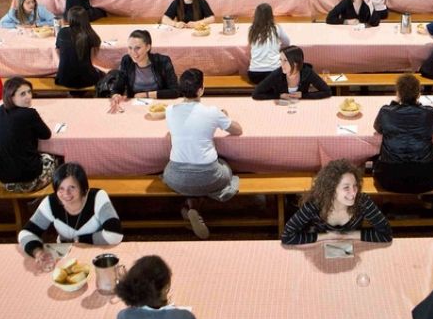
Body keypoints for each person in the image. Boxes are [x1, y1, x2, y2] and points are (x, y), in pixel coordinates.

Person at [164, 69, 243, 239]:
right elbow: (238, 130)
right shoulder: (212, 112)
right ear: (201, 90)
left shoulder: (170, 110)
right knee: (224, 167)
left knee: (186, 176)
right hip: (208, 177)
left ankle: (191, 206)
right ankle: (195, 206)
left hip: (176, 177)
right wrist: (223, 117)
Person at [19, 162, 123, 268]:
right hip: (64, 256)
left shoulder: (97, 197)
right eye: (61, 188)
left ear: (83, 188)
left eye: (72, 187)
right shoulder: (50, 202)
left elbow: (115, 235)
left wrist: (79, 240)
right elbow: (25, 233)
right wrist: (38, 252)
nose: (66, 194)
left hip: (96, 252)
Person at [281, 160, 392, 245]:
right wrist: (326, 236)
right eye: (346, 188)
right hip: (319, 248)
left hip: (353, 247)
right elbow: (287, 236)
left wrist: (347, 236)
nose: (353, 193)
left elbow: (386, 234)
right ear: (331, 189)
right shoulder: (315, 204)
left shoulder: (362, 201)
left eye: (355, 186)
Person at [373, 73, 433, 194]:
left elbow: (378, 128)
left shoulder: (386, 111)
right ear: (418, 94)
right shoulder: (428, 112)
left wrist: (394, 103)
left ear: (398, 93)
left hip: (389, 178)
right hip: (426, 178)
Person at [0, 77, 56, 192]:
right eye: (22, 94)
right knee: (54, 159)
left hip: (5, 180)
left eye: (29, 92)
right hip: (28, 180)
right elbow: (46, 135)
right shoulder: (29, 114)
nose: (28, 96)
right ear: (10, 96)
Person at [109, 29, 180, 102]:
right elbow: (117, 87)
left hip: (159, 103)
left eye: (138, 48)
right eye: (130, 48)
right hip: (135, 104)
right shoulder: (127, 61)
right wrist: (115, 94)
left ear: (148, 47)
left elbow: (175, 91)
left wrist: (146, 95)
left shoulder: (163, 61)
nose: (133, 52)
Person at [252, 45, 331, 100]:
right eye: (281, 60)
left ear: (295, 63)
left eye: (285, 60)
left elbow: (327, 91)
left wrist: (303, 95)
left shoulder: (307, 72)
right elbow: (256, 94)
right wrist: (279, 96)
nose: (281, 64)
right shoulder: (277, 74)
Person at [55, 6, 102, 90]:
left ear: (69, 18)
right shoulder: (91, 35)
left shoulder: (62, 32)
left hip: (64, 78)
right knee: (103, 73)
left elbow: (57, 50)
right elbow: (92, 59)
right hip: (87, 79)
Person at [247, 3, 290, 84]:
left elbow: (251, 45)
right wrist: (278, 49)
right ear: (271, 15)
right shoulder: (276, 28)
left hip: (254, 74)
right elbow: (287, 42)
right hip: (274, 73)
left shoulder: (251, 29)